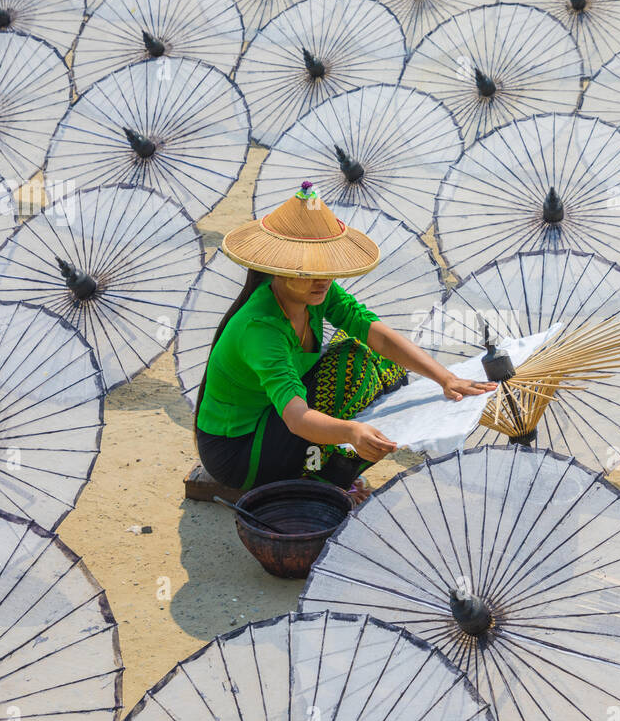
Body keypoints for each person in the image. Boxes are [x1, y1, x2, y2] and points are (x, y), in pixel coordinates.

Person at [194, 182, 494, 497]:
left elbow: (375, 333)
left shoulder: (314, 290)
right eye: (309, 270)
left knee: (381, 362)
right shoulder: (260, 327)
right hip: (240, 455)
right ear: (278, 270)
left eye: (326, 268)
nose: (323, 279)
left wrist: (445, 378)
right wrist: (352, 431)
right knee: (352, 364)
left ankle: (328, 472)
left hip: (272, 423)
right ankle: (324, 481)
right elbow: (296, 418)